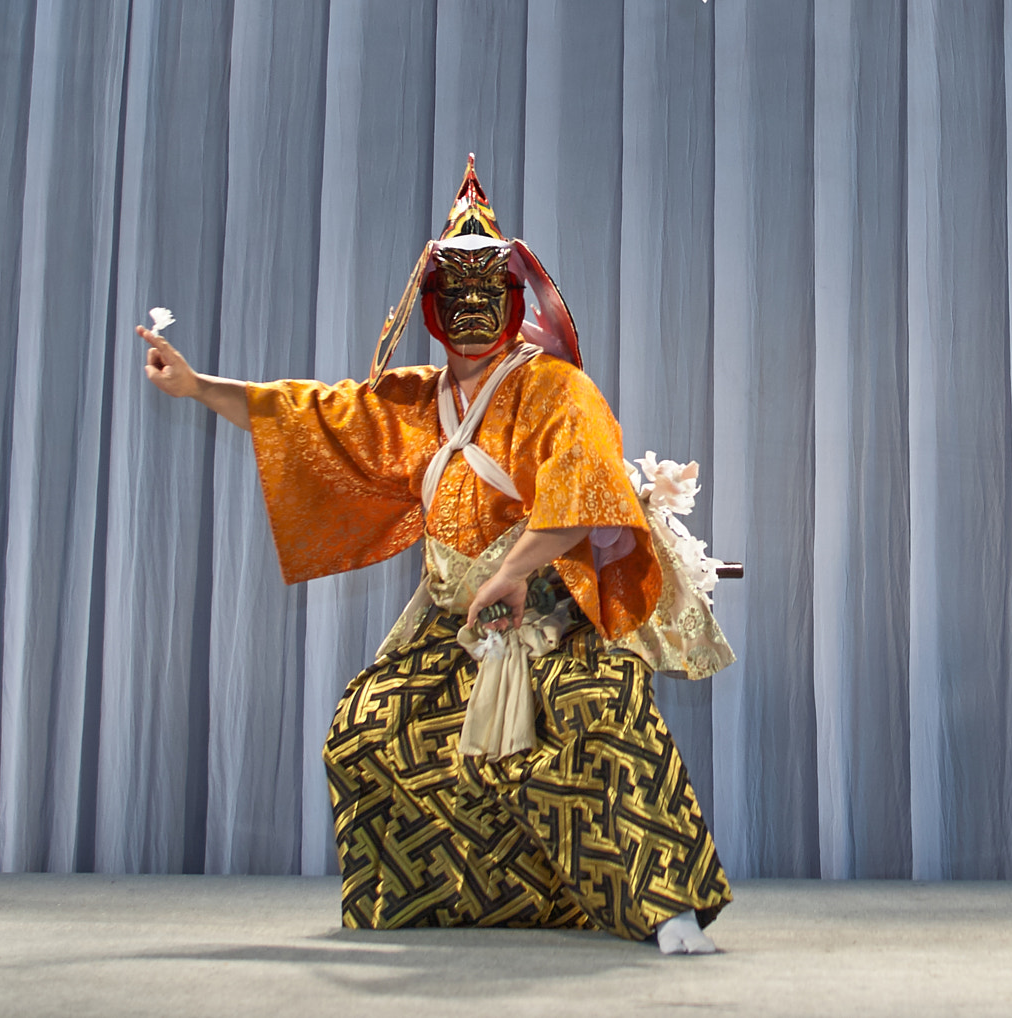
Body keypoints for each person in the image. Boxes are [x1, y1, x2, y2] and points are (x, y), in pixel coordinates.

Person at [137, 158, 730, 953]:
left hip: (553, 611)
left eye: (488, 296)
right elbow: (306, 414)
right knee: (368, 729)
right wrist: (198, 385)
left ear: (514, 303)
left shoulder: (554, 389)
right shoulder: (413, 402)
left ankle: (665, 904)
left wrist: (518, 572)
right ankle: (445, 899)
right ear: (434, 309)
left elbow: (584, 493)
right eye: (459, 299)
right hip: (459, 621)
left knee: (594, 714)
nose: (475, 312)